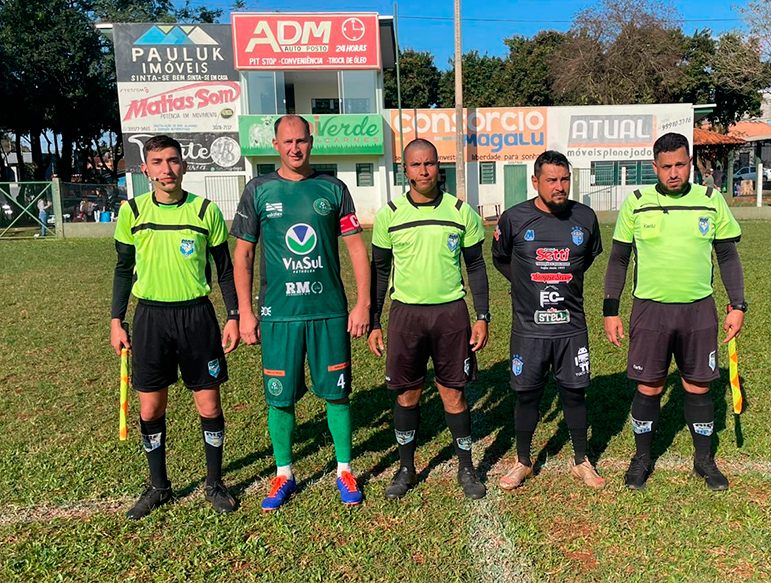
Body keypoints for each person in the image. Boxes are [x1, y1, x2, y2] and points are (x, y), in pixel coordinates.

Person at [232, 115, 370, 511]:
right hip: (279, 315)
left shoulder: (333, 188)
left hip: (328, 312)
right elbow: (243, 254)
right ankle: (284, 473)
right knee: (280, 399)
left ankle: (344, 469)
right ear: (275, 145)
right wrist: (245, 312)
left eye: (302, 140)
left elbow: (355, 247)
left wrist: (362, 303)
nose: (295, 148)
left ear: (312, 141)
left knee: (338, 394)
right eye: (287, 141)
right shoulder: (258, 190)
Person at [603, 132, 746, 492]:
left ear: (690, 163)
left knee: (698, 385)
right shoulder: (637, 203)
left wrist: (738, 304)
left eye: (680, 164)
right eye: (666, 166)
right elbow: (619, 259)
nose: (673, 173)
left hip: (698, 310)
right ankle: (642, 458)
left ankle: (704, 460)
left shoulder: (710, 201)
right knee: (649, 385)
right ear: (655, 166)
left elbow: (727, 256)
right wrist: (610, 310)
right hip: (650, 311)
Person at [110, 135, 240, 520]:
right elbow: (122, 270)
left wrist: (234, 315)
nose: (166, 169)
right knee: (151, 407)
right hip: (151, 318)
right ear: (145, 169)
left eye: (172, 161)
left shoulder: (205, 211)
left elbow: (225, 271)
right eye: (157, 162)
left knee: (209, 404)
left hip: (197, 317)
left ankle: (214, 484)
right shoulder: (132, 211)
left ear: (183, 165)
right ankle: (158, 487)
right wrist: (116, 320)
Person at [368, 138, 490, 500]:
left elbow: (476, 266)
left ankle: (466, 468)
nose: (423, 171)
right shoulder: (389, 215)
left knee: (454, 392)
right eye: (416, 164)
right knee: (408, 394)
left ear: (440, 166)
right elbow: (379, 272)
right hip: (406, 315)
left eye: (430, 163)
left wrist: (482, 316)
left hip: (450, 314)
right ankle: (406, 468)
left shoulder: (461, 212)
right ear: (404, 169)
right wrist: (375, 322)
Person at [491, 150, 605, 491]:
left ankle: (581, 460)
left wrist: (559, 279)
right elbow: (500, 258)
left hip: (571, 326)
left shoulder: (585, 217)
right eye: (552, 180)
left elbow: (585, 260)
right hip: (529, 328)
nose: (560, 186)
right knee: (526, 395)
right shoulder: (514, 218)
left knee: (575, 393)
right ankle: (523, 461)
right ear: (535, 181)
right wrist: (525, 283)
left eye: (565, 179)